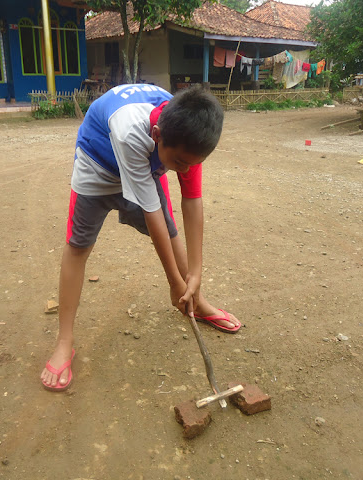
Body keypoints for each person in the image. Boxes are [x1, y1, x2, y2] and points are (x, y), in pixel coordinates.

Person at [40, 84, 241, 391]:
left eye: (191, 164)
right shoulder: (130, 131)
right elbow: (152, 211)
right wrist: (174, 283)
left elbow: (192, 200)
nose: (184, 170)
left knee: (172, 235)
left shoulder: (188, 136)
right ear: (158, 135)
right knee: (78, 247)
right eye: (180, 164)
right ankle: (65, 340)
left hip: (147, 162)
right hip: (97, 164)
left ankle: (197, 302)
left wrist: (195, 274)